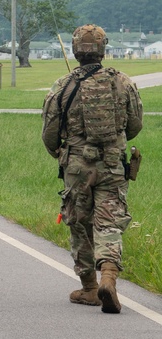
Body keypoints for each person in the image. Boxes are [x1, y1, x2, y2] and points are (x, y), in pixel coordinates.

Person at [41, 24, 143, 313]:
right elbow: (135, 125)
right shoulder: (123, 82)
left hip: (76, 166)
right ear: (103, 48)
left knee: (80, 224)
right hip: (112, 165)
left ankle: (89, 288)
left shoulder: (62, 85)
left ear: (75, 51)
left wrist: (61, 152)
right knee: (110, 222)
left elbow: (49, 132)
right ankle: (108, 278)